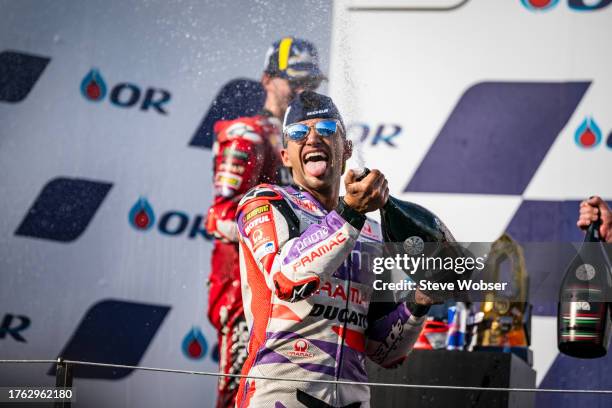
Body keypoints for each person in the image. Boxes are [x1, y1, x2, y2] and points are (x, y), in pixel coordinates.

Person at [234, 91, 435, 407]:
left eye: (326, 129)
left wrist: (422, 299)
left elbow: (384, 351)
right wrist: (351, 212)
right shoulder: (265, 202)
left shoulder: (373, 233)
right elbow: (288, 280)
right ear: (286, 156)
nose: (313, 139)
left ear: (346, 149)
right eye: (299, 133)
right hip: (280, 397)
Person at [205, 37, 325, 408]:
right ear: (267, 80)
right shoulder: (248, 135)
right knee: (239, 393)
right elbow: (218, 217)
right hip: (245, 293)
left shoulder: (305, 139)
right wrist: (268, 237)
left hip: (292, 290)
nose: (303, 91)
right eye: (295, 82)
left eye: (311, 84)